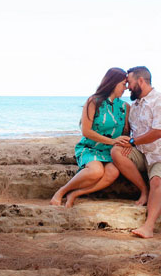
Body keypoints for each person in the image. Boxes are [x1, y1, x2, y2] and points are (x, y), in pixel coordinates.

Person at [111, 66, 161, 238]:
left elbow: (159, 132)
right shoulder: (134, 106)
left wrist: (133, 142)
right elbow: (131, 132)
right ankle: (144, 190)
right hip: (142, 154)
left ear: (140, 81)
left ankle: (148, 227)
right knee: (116, 151)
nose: (127, 87)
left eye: (129, 82)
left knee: (157, 180)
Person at [50, 67, 131, 208]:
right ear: (113, 82)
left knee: (113, 172)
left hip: (110, 151)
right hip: (90, 147)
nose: (126, 88)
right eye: (123, 84)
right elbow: (86, 131)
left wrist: (126, 143)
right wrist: (112, 141)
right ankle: (62, 191)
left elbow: (126, 132)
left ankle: (75, 194)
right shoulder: (93, 101)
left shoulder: (125, 107)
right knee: (96, 171)